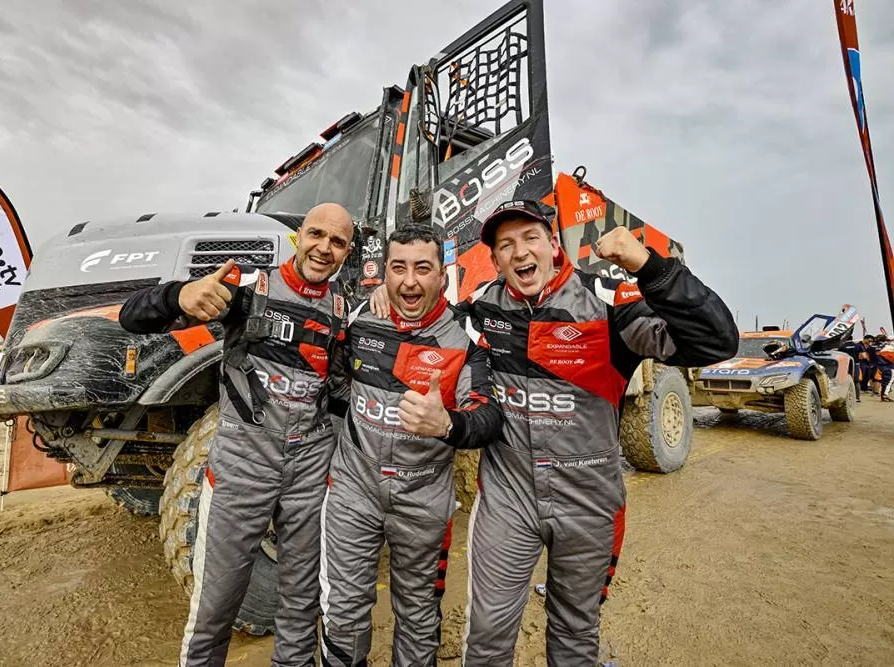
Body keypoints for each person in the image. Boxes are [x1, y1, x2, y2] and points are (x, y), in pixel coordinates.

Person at [373, 201, 738, 665]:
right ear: (496, 259)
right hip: (509, 501)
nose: (520, 252)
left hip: (589, 502)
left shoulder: (606, 301)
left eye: (530, 238)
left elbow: (716, 342)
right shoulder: (481, 308)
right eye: (506, 244)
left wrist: (649, 266)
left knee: (574, 634)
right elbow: (424, 317)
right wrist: (386, 292)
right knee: (486, 634)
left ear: (553, 244)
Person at [119, 203, 354, 667]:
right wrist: (178, 296)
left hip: (310, 474)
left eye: (338, 242)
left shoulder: (344, 313)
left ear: (347, 252)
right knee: (215, 607)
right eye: (316, 234)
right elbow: (132, 317)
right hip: (242, 467)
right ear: (300, 237)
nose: (324, 248)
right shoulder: (249, 287)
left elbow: (347, 395)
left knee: (301, 606)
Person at [319, 224, 503, 666]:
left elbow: (489, 416)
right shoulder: (361, 318)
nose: (409, 281)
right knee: (342, 614)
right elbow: (333, 380)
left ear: (442, 274)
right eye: (398, 268)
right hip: (354, 491)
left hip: (423, 500)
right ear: (384, 272)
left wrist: (448, 424)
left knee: (419, 618)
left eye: (422, 268)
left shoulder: (464, 336)